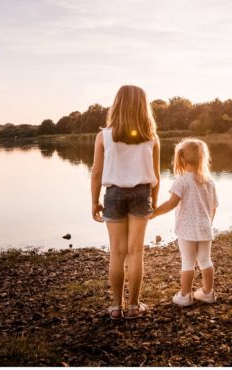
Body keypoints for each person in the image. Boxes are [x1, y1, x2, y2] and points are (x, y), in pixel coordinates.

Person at [91, 85, 160, 320]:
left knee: (117, 253)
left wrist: (94, 201)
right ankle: (134, 306)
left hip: (113, 194)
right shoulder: (151, 137)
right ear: (144, 107)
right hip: (142, 194)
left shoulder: (104, 136)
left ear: (116, 105)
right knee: (136, 252)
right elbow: (156, 176)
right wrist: (155, 203)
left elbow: (96, 173)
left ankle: (116, 308)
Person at [151, 138, 218, 306]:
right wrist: (208, 222)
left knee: (187, 261)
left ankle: (185, 295)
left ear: (181, 158)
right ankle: (208, 293)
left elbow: (171, 204)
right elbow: (214, 206)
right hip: (205, 227)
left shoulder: (182, 181)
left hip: (186, 230)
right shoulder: (209, 181)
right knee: (205, 260)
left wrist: (154, 213)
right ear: (203, 157)